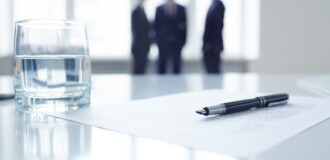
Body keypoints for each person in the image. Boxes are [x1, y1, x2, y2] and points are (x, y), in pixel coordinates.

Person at [154, 0, 187, 74]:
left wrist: (183, 41)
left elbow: (184, 27)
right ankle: (161, 84)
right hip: (163, 43)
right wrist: (157, 41)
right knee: (161, 67)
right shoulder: (159, 9)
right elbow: (156, 27)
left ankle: (177, 85)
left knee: (177, 67)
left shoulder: (181, 9)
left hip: (177, 43)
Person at [203, 0, 225, 74]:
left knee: (214, 71)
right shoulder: (213, 4)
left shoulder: (219, 5)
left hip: (213, 46)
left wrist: (215, 44)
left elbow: (218, 26)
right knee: (210, 70)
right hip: (209, 46)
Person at [131, 0, 151, 74]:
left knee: (143, 69)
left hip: (144, 46)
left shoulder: (143, 10)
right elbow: (136, 30)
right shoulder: (135, 11)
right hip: (139, 46)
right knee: (138, 69)